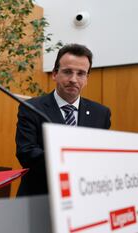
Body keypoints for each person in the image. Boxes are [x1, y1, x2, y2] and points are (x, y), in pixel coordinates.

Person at [15, 43, 111, 196]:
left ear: (87, 78)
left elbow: (102, 155)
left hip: (84, 195)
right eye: (67, 72)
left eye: (81, 73)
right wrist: (71, 161)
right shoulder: (31, 108)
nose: (73, 79)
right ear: (55, 74)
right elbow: (26, 153)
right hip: (41, 196)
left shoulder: (101, 113)